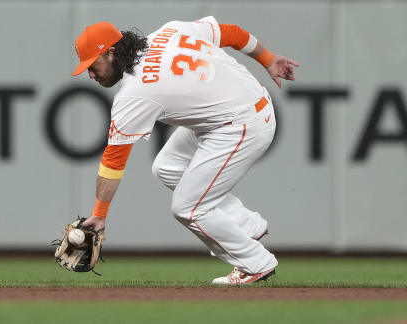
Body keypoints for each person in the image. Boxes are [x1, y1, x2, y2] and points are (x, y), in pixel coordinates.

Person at [72, 17, 299, 284]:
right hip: (243, 107)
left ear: (110, 53)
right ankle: (245, 226)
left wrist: (99, 215)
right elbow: (232, 33)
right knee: (167, 167)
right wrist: (268, 59)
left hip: (242, 124)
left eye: (92, 65)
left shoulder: (134, 93)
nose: (90, 74)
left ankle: (254, 263)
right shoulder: (169, 31)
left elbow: (113, 162)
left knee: (188, 208)